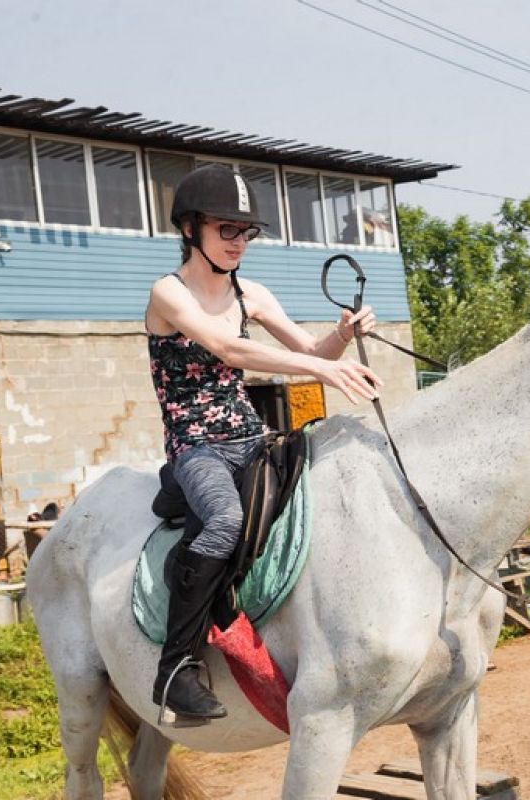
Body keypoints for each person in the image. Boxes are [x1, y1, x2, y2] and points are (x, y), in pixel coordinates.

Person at [144, 164, 382, 721]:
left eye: (245, 232)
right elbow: (233, 352)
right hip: (196, 447)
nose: (238, 242)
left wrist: (342, 335)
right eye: (226, 229)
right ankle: (174, 667)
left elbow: (312, 352)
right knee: (225, 520)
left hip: (251, 437)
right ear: (190, 228)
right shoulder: (167, 293)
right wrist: (318, 371)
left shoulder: (251, 293)